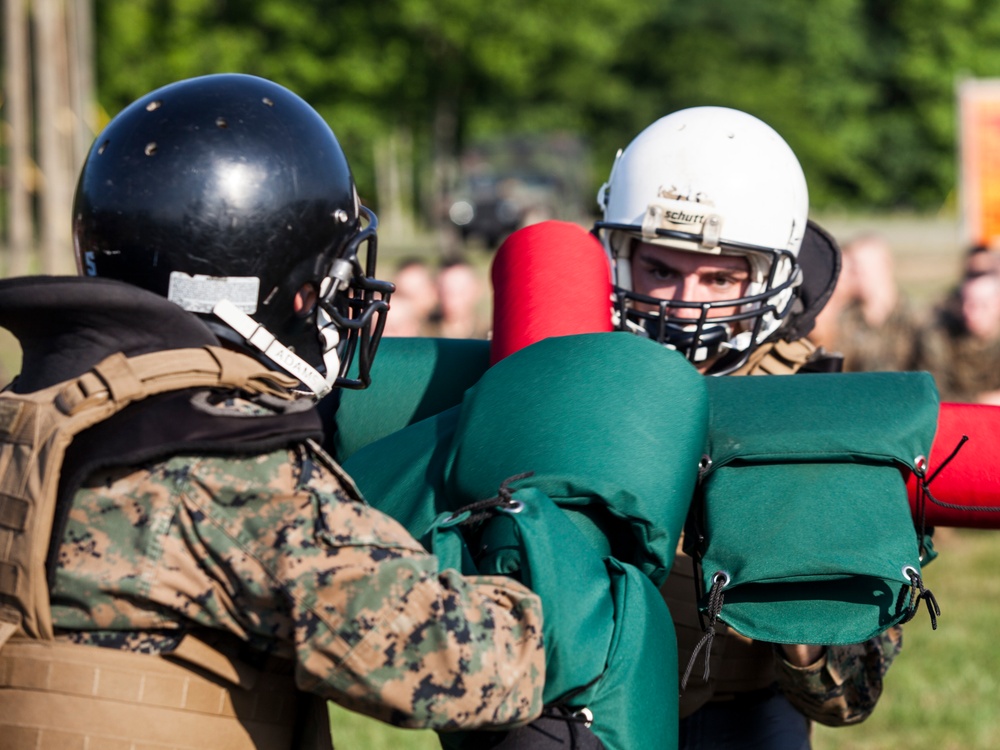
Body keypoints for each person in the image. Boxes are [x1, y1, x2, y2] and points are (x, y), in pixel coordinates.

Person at [0, 74, 546, 749]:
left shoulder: (26, 415)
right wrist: (558, 561)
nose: (335, 303)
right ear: (279, 291)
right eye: (325, 284)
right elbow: (476, 670)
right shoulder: (227, 466)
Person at [593, 106, 900, 749]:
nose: (685, 305)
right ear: (620, 257)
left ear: (771, 279)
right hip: (588, 706)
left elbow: (849, 697)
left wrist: (803, 609)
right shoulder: (570, 367)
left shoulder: (815, 407)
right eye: (661, 270)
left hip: (741, 711)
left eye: (719, 277)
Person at [816, 233, 920, 372]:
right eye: (852, 267)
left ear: (886, 264)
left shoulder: (915, 320)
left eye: (864, 265)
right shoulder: (845, 319)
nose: (857, 273)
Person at [915, 248, 1000, 404]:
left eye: (983, 305)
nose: (972, 313)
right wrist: (983, 401)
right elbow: (933, 393)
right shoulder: (942, 337)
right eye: (968, 303)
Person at [432, 258, 491, 339]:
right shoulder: (421, 333)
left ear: (477, 289)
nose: (454, 300)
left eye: (461, 292)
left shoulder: (490, 333)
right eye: (446, 292)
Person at [382, 256, 440, 337]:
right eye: (402, 295)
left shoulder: (443, 329)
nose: (411, 302)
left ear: (433, 291)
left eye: (417, 293)